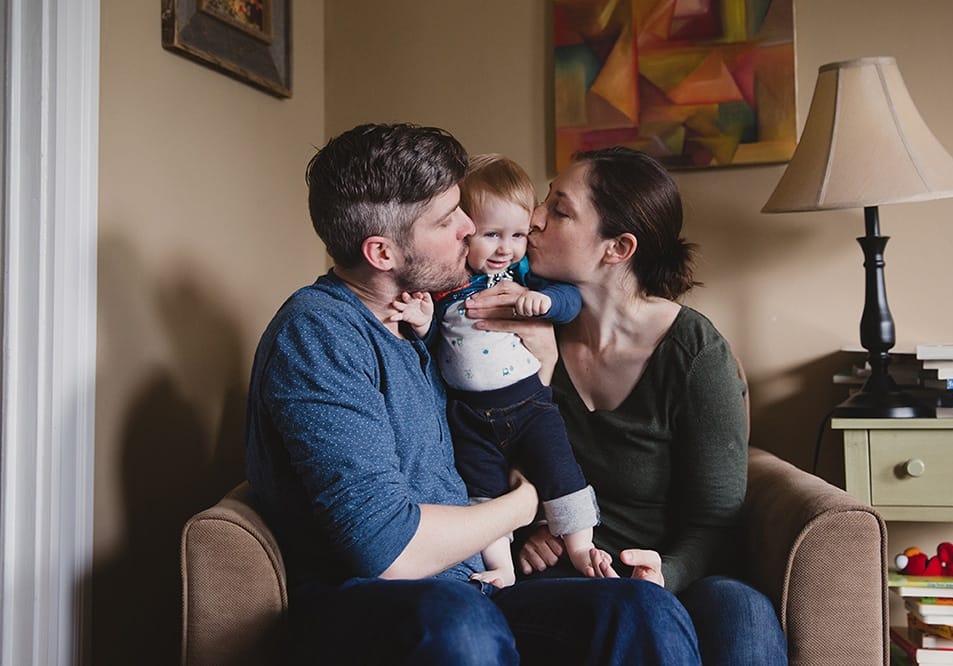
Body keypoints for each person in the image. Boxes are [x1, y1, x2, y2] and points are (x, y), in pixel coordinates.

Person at [244, 124, 701, 665]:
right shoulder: (320, 333)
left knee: (640, 607)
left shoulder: (423, 323)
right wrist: (529, 502)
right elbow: (387, 550)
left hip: (472, 587)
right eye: (447, 219)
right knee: (460, 625)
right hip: (371, 601)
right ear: (382, 252)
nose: (469, 228)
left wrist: (543, 366)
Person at [464, 146, 789, 665]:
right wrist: (532, 531)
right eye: (544, 200)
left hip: (666, 569)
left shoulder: (694, 353)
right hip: (564, 576)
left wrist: (664, 571)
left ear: (617, 248)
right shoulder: (517, 321)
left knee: (742, 611)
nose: (535, 218)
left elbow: (715, 521)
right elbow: (481, 451)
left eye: (561, 209)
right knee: (631, 609)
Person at [392, 154, 604, 587]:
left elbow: (570, 300)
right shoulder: (445, 282)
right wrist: (422, 323)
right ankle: (501, 567)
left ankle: (583, 546)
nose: (505, 248)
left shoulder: (519, 274)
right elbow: (437, 345)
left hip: (528, 400)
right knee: (482, 491)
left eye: (517, 235)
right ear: (465, 231)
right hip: (469, 415)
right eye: (491, 235)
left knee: (560, 469)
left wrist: (544, 303)